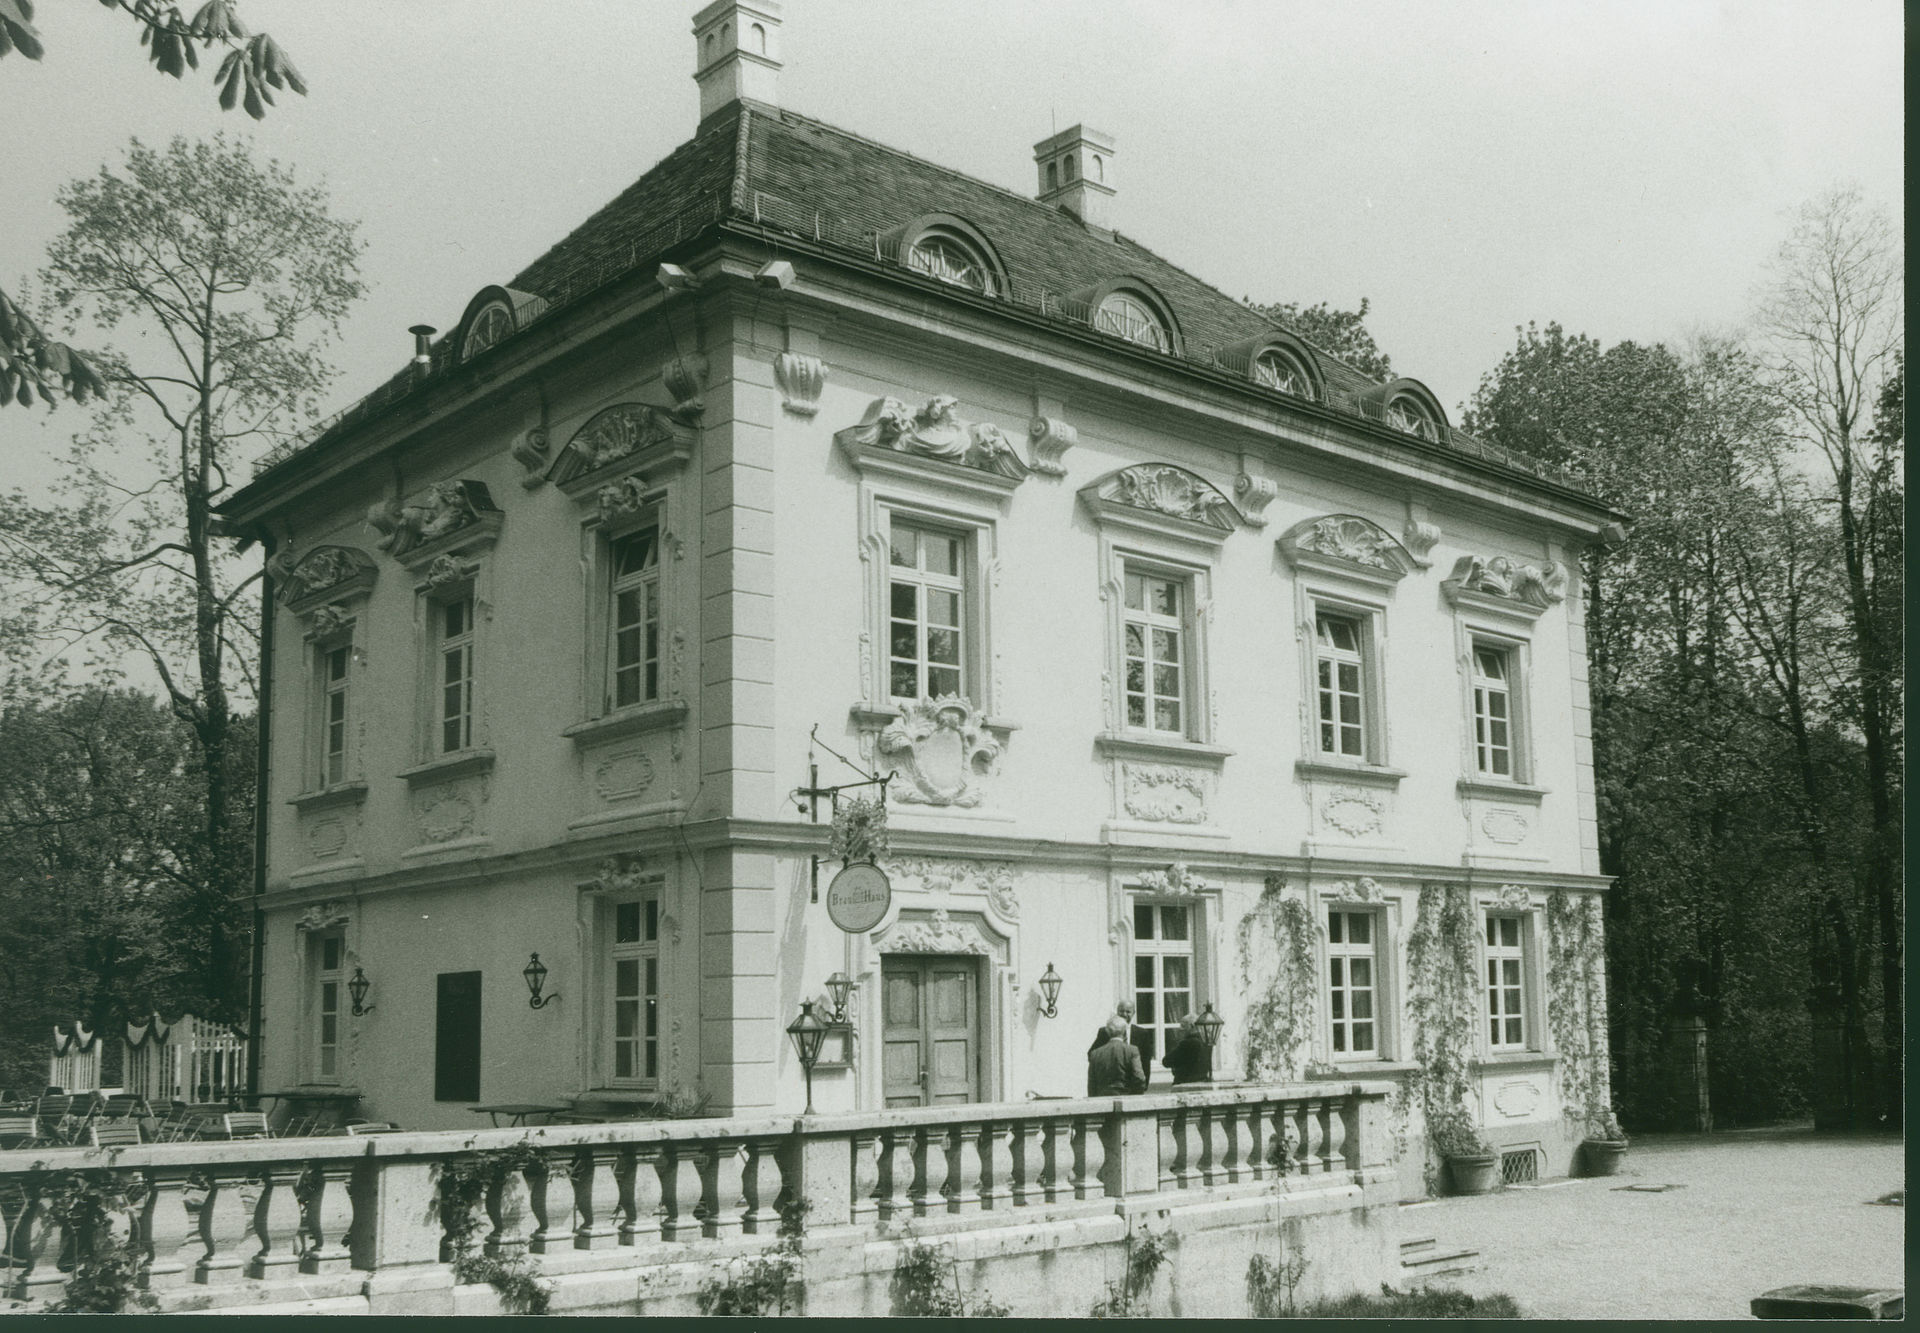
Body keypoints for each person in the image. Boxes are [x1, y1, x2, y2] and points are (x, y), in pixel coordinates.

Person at [1087, 1000, 1155, 1082]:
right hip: (1110, 1082)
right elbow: (1092, 1054)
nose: (1124, 1014)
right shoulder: (1105, 1031)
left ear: (1134, 1013)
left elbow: (1146, 1061)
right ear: (1117, 1012)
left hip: (1133, 1083)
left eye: (1128, 1012)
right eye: (1121, 1011)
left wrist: (1144, 1084)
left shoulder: (1142, 1033)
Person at [1087, 1018, 1147, 1096]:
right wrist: (1135, 1095)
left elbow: (1092, 1084)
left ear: (1107, 1032)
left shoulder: (1095, 1053)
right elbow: (1139, 1078)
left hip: (1102, 1099)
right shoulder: (1132, 1050)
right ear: (1124, 1032)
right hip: (1126, 1098)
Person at [1164, 1012, 1214, 1086]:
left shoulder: (1188, 1043)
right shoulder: (1206, 1042)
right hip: (1202, 1082)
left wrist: (1179, 1041)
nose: (1180, 1029)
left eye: (1183, 1025)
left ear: (1191, 1026)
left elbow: (1166, 1061)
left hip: (1186, 1083)